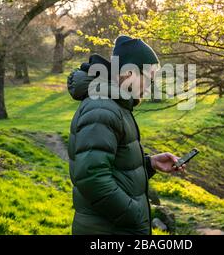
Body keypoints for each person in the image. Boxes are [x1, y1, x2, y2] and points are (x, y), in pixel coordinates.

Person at [67, 35, 185, 235]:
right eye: (148, 77)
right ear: (129, 72)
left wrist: (150, 164)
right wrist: (134, 214)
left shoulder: (115, 105)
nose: (149, 86)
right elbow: (92, 178)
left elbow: (111, 167)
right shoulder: (102, 107)